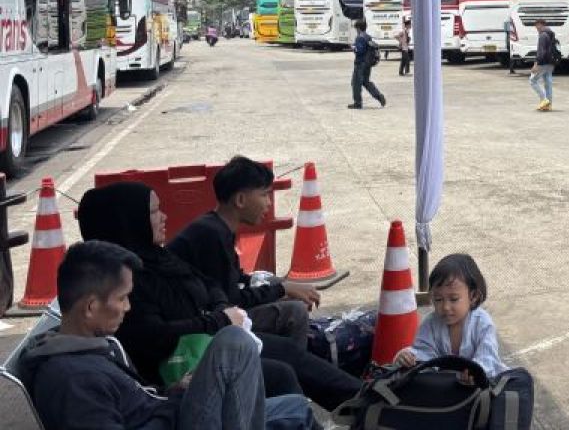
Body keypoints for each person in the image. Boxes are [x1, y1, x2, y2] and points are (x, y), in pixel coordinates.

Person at [77, 182, 361, 411]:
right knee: (280, 372)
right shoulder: (124, 279)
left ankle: (366, 400)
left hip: (209, 341)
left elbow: (210, 285)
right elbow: (153, 336)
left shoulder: (159, 258)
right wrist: (219, 320)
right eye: (153, 212)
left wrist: (222, 311)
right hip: (178, 367)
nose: (163, 217)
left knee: (287, 351)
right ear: (130, 221)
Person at [20, 240, 316, 430]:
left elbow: (138, 404)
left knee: (296, 407)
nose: (128, 307)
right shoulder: (71, 380)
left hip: (173, 411)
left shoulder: (87, 347)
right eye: (122, 298)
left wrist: (177, 391)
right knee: (233, 344)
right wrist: (177, 403)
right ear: (91, 306)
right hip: (175, 421)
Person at [168, 157, 319, 347]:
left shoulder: (216, 227)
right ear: (240, 200)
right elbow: (231, 299)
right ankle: (299, 366)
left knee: (277, 283)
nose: (269, 203)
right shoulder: (212, 235)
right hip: (203, 324)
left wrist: (282, 287)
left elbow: (235, 279)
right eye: (264, 195)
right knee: (294, 312)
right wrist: (283, 290)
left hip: (213, 308)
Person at [393, 254, 506, 381]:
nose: (445, 307)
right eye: (438, 299)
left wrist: (474, 373)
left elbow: (488, 359)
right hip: (445, 392)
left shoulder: (482, 323)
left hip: (481, 391)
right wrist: (408, 357)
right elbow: (423, 354)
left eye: (454, 299)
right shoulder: (430, 323)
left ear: (473, 296)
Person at [349, 17, 386, 109]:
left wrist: (353, 48)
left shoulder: (359, 38)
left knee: (356, 83)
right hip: (368, 63)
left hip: (360, 63)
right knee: (366, 82)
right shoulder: (368, 37)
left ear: (358, 28)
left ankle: (357, 103)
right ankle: (379, 96)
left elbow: (359, 51)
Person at [530, 19, 556, 111]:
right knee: (548, 83)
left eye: (537, 26)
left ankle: (544, 100)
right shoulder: (551, 33)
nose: (536, 28)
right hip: (551, 62)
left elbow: (541, 52)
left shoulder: (543, 35)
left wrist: (536, 64)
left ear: (541, 25)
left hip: (543, 62)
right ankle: (548, 105)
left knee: (532, 81)